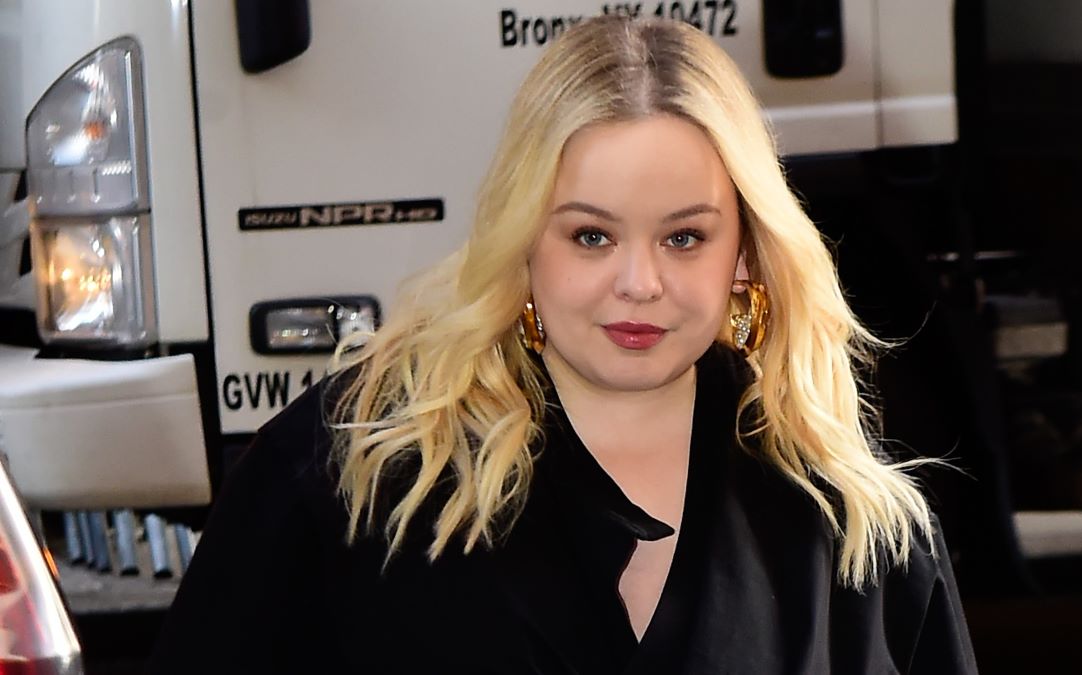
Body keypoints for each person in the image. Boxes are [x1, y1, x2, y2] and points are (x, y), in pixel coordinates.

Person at [149, 16, 978, 674]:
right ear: (522, 243)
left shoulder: (855, 529)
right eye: (591, 236)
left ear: (747, 256)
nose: (639, 282)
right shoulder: (348, 475)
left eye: (685, 238)